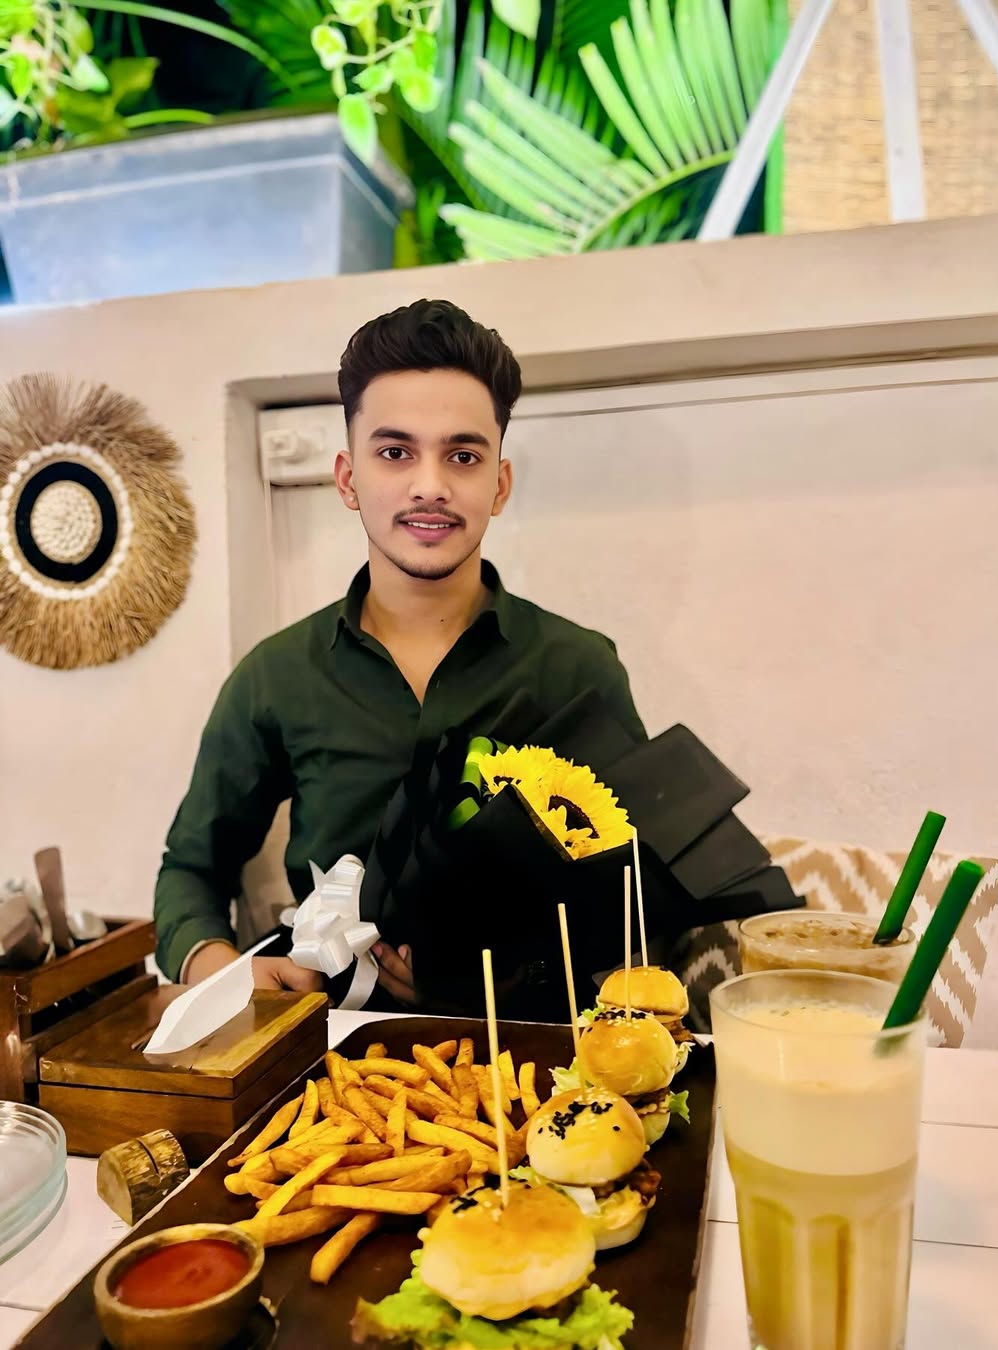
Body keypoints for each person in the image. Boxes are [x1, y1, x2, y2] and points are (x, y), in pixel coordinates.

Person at [153, 299, 645, 1009]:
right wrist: (222, 971)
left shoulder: (577, 669)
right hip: (321, 1043)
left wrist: (517, 977)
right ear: (348, 479)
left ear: (499, 484)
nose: (430, 486)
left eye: (463, 456)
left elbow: (632, 896)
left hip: (529, 1048)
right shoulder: (276, 675)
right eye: (395, 453)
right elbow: (191, 869)